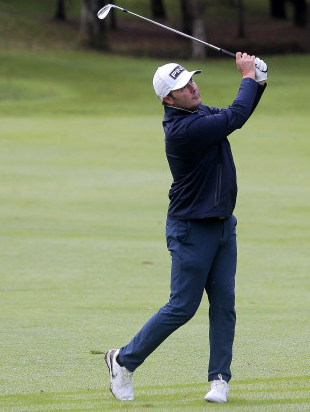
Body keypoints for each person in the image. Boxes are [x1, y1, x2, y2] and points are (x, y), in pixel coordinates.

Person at [105, 52, 268, 403]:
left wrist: (260, 83)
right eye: (182, 87)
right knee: (182, 306)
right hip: (191, 229)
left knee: (224, 304)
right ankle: (123, 360)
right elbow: (235, 116)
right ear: (168, 99)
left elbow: (234, 115)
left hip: (223, 225)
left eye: (192, 80)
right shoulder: (182, 130)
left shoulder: (198, 112)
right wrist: (248, 78)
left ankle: (219, 381)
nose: (193, 88)